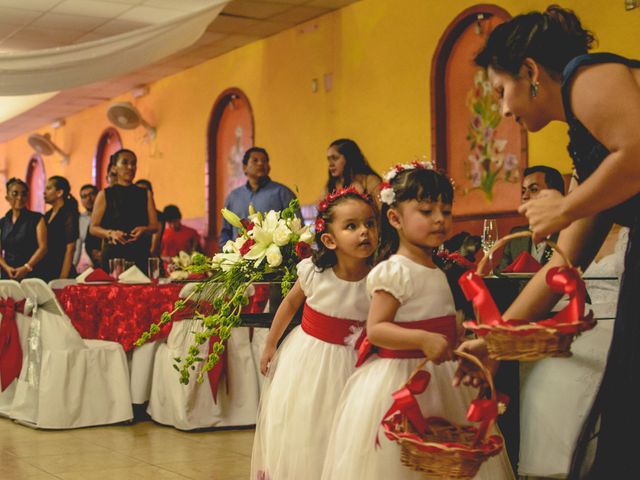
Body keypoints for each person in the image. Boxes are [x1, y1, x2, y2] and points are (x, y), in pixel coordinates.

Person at [454, 5, 640, 478]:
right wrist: (496, 343)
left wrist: (564, 206)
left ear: (531, 71)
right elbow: (563, 265)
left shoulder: (586, 75)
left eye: (501, 91)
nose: (504, 109)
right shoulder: (589, 145)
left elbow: (638, 151)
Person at [321, 163, 513, 479]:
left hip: (442, 376)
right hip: (403, 379)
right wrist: (422, 339)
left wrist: (460, 337)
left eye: (446, 211)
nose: (439, 219)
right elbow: (377, 329)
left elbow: (439, 320)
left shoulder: (438, 270)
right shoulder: (394, 271)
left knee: (444, 451)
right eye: (426, 211)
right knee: (402, 462)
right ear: (395, 218)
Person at [251, 187, 378, 480]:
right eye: (352, 226)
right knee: (311, 425)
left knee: (353, 428)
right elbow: (290, 304)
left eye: (370, 223)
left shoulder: (379, 274)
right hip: (311, 361)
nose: (364, 232)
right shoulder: (314, 272)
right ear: (329, 239)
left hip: (359, 362)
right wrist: (271, 344)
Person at [90, 149, 160, 272]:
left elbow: (155, 226)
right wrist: (111, 233)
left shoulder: (145, 193)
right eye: (125, 163)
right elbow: (93, 228)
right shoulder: (105, 194)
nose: (130, 167)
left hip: (139, 252)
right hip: (114, 254)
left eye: (133, 163)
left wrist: (144, 229)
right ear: (114, 168)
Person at [219, 147, 299, 247]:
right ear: (244, 167)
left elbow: (296, 226)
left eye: (264, 161)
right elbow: (225, 233)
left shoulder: (282, 193)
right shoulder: (234, 196)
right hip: (239, 259)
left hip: (273, 258)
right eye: (255, 160)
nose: (261, 163)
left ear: (269, 167)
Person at [497, 165, 565, 272]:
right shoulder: (515, 236)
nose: (525, 196)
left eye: (533, 189)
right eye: (523, 191)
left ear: (555, 194)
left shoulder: (567, 234)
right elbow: (502, 278)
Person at [0, 178, 47, 280]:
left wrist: (26, 267)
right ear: (7, 197)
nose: (20, 197)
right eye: (15, 194)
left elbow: (43, 248)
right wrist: (7, 268)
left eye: (24, 194)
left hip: (32, 272)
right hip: (8, 273)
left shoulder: (37, 218)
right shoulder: (2, 222)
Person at [39, 176, 79, 281]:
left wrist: (62, 279)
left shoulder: (69, 214)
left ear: (59, 192)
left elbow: (70, 248)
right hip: (47, 268)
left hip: (62, 268)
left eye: (48, 188)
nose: (44, 192)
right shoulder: (47, 215)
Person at [74, 184, 101, 272]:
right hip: (81, 266)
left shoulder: (106, 217)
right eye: (84, 196)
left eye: (92, 194)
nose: (89, 199)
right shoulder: (79, 219)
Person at [135, 179, 164, 258]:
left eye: (144, 191)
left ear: (151, 194)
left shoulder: (158, 216)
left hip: (149, 258)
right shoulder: (132, 215)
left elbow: (154, 247)